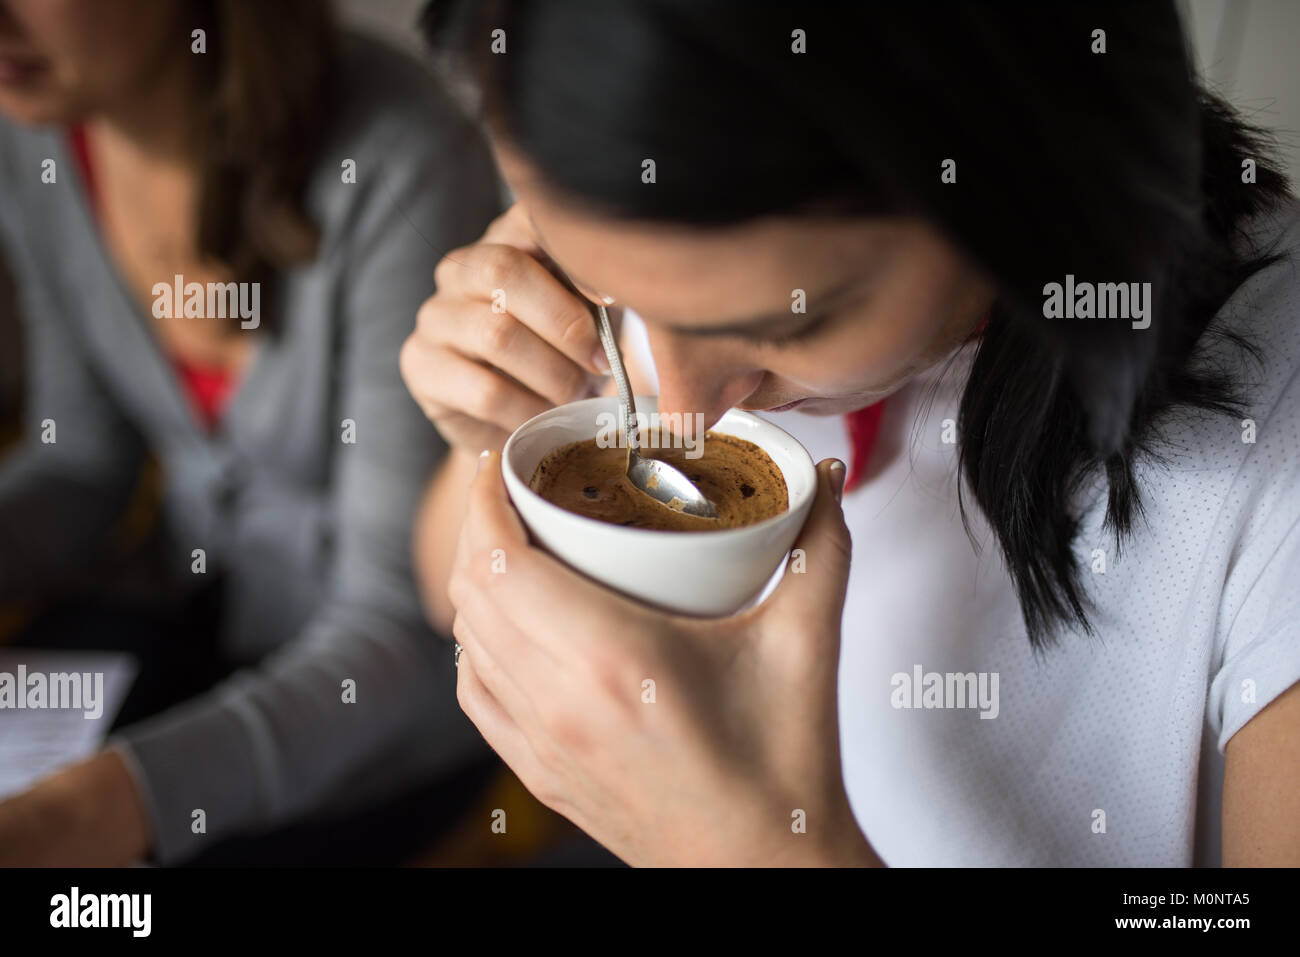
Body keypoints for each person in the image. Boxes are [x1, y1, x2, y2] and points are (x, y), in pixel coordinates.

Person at [399, 1, 1300, 865]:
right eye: (610, 292)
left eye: (789, 325)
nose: (678, 417)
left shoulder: (1271, 450)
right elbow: (445, 585)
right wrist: (495, 431)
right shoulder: (670, 224)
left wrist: (749, 851)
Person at [0, 0, 500, 864]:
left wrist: (89, 811)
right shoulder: (39, 131)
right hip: (188, 604)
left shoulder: (397, 154)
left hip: (379, 703)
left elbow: (396, 628)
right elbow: (82, 459)